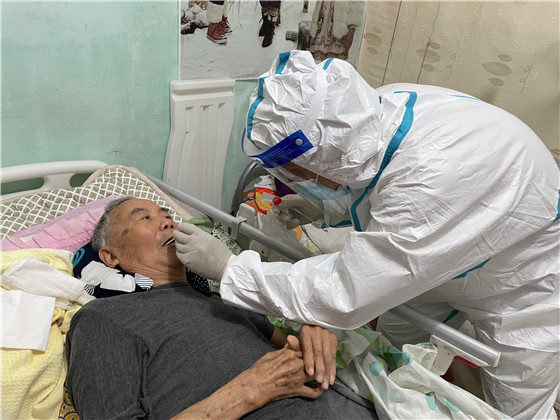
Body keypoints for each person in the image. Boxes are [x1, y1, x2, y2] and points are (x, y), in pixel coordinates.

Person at [173, 50, 560, 419]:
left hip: (522, 284)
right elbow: (369, 175)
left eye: (296, 171)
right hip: (445, 251)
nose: (292, 179)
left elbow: (345, 292)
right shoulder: (368, 116)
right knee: (394, 353)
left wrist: (230, 269)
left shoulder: (427, 178)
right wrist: (327, 206)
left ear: (321, 156)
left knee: (517, 404)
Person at [65, 197, 376, 419]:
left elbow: (291, 346)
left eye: (166, 214)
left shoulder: (223, 298)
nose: (168, 222)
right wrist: (247, 391)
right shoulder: (105, 318)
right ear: (110, 257)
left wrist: (316, 335)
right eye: (143, 218)